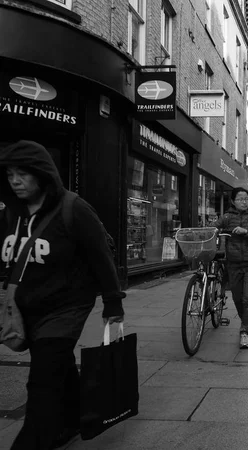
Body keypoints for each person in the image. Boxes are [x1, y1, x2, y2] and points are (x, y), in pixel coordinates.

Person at [0, 140, 125, 450]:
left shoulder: (73, 208)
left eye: (24, 174)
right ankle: (71, 422)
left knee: (42, 382)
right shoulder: (10, 214)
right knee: (59, 367)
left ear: (43, 174)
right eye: (11, 174)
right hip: (27, 306)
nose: (16, 181)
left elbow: (100, 256)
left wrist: (113, 302)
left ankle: (32, 440)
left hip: (65, 308)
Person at [214, 187, 248, 349]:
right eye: (241, 199)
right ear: (233, 202)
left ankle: (245, 332)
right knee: (237, 298)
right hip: (233, 264)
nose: (245, 202)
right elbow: (214, 227)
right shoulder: (227, 217)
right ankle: (246, 322)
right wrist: (213, 230)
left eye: (246, 198)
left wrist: (246, 232)